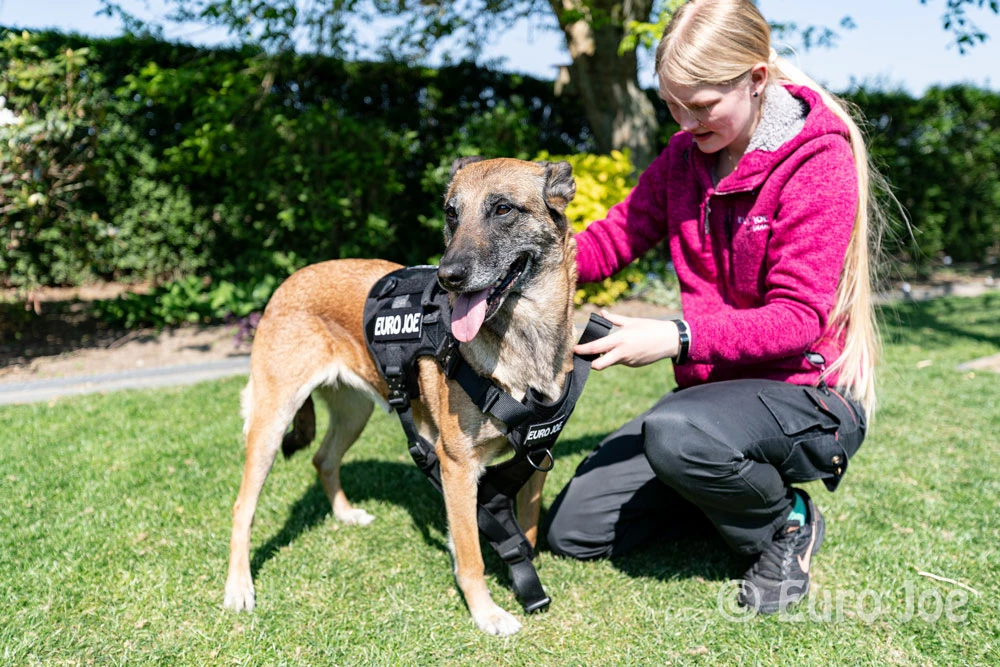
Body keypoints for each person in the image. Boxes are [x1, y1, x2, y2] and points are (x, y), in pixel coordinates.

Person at [544, 0, 890, 615]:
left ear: (755, 79)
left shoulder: (818, 160)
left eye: (700, 105)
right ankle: (716, 489)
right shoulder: (683, 158)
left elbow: (798, 319)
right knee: (576, 530)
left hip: (807, 395)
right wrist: (528, 265)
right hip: (710, 404)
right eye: (671, 104)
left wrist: (675, 337)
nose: (684, 121)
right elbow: (616, 237)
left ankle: (786, 520)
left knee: (675, 434)